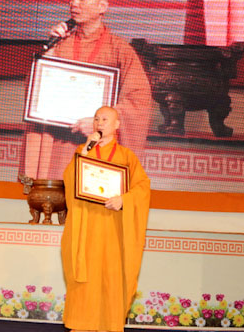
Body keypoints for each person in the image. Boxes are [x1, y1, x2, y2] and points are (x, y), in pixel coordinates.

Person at [24, 0, 152, 180]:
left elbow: (139, 100)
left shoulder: (120, 50)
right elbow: (37, 91)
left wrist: (99, 123)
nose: (74, 3)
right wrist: (49, 53)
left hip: (97, 145)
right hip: (58, 142)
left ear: (102, 7)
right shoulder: (60, 44)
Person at [61, 106, 151, 332]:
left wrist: (124, 199)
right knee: (85, 277)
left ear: (117, 125)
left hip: (114, 228)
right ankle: (81, 325)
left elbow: (142, 188)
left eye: (105, 119)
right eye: (96, 119)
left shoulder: (126, 156)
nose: (99, 123)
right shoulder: (83, 151)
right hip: (87, 226)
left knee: (112, 278)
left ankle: (109, 326)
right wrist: (85, 151)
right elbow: (69, 178)